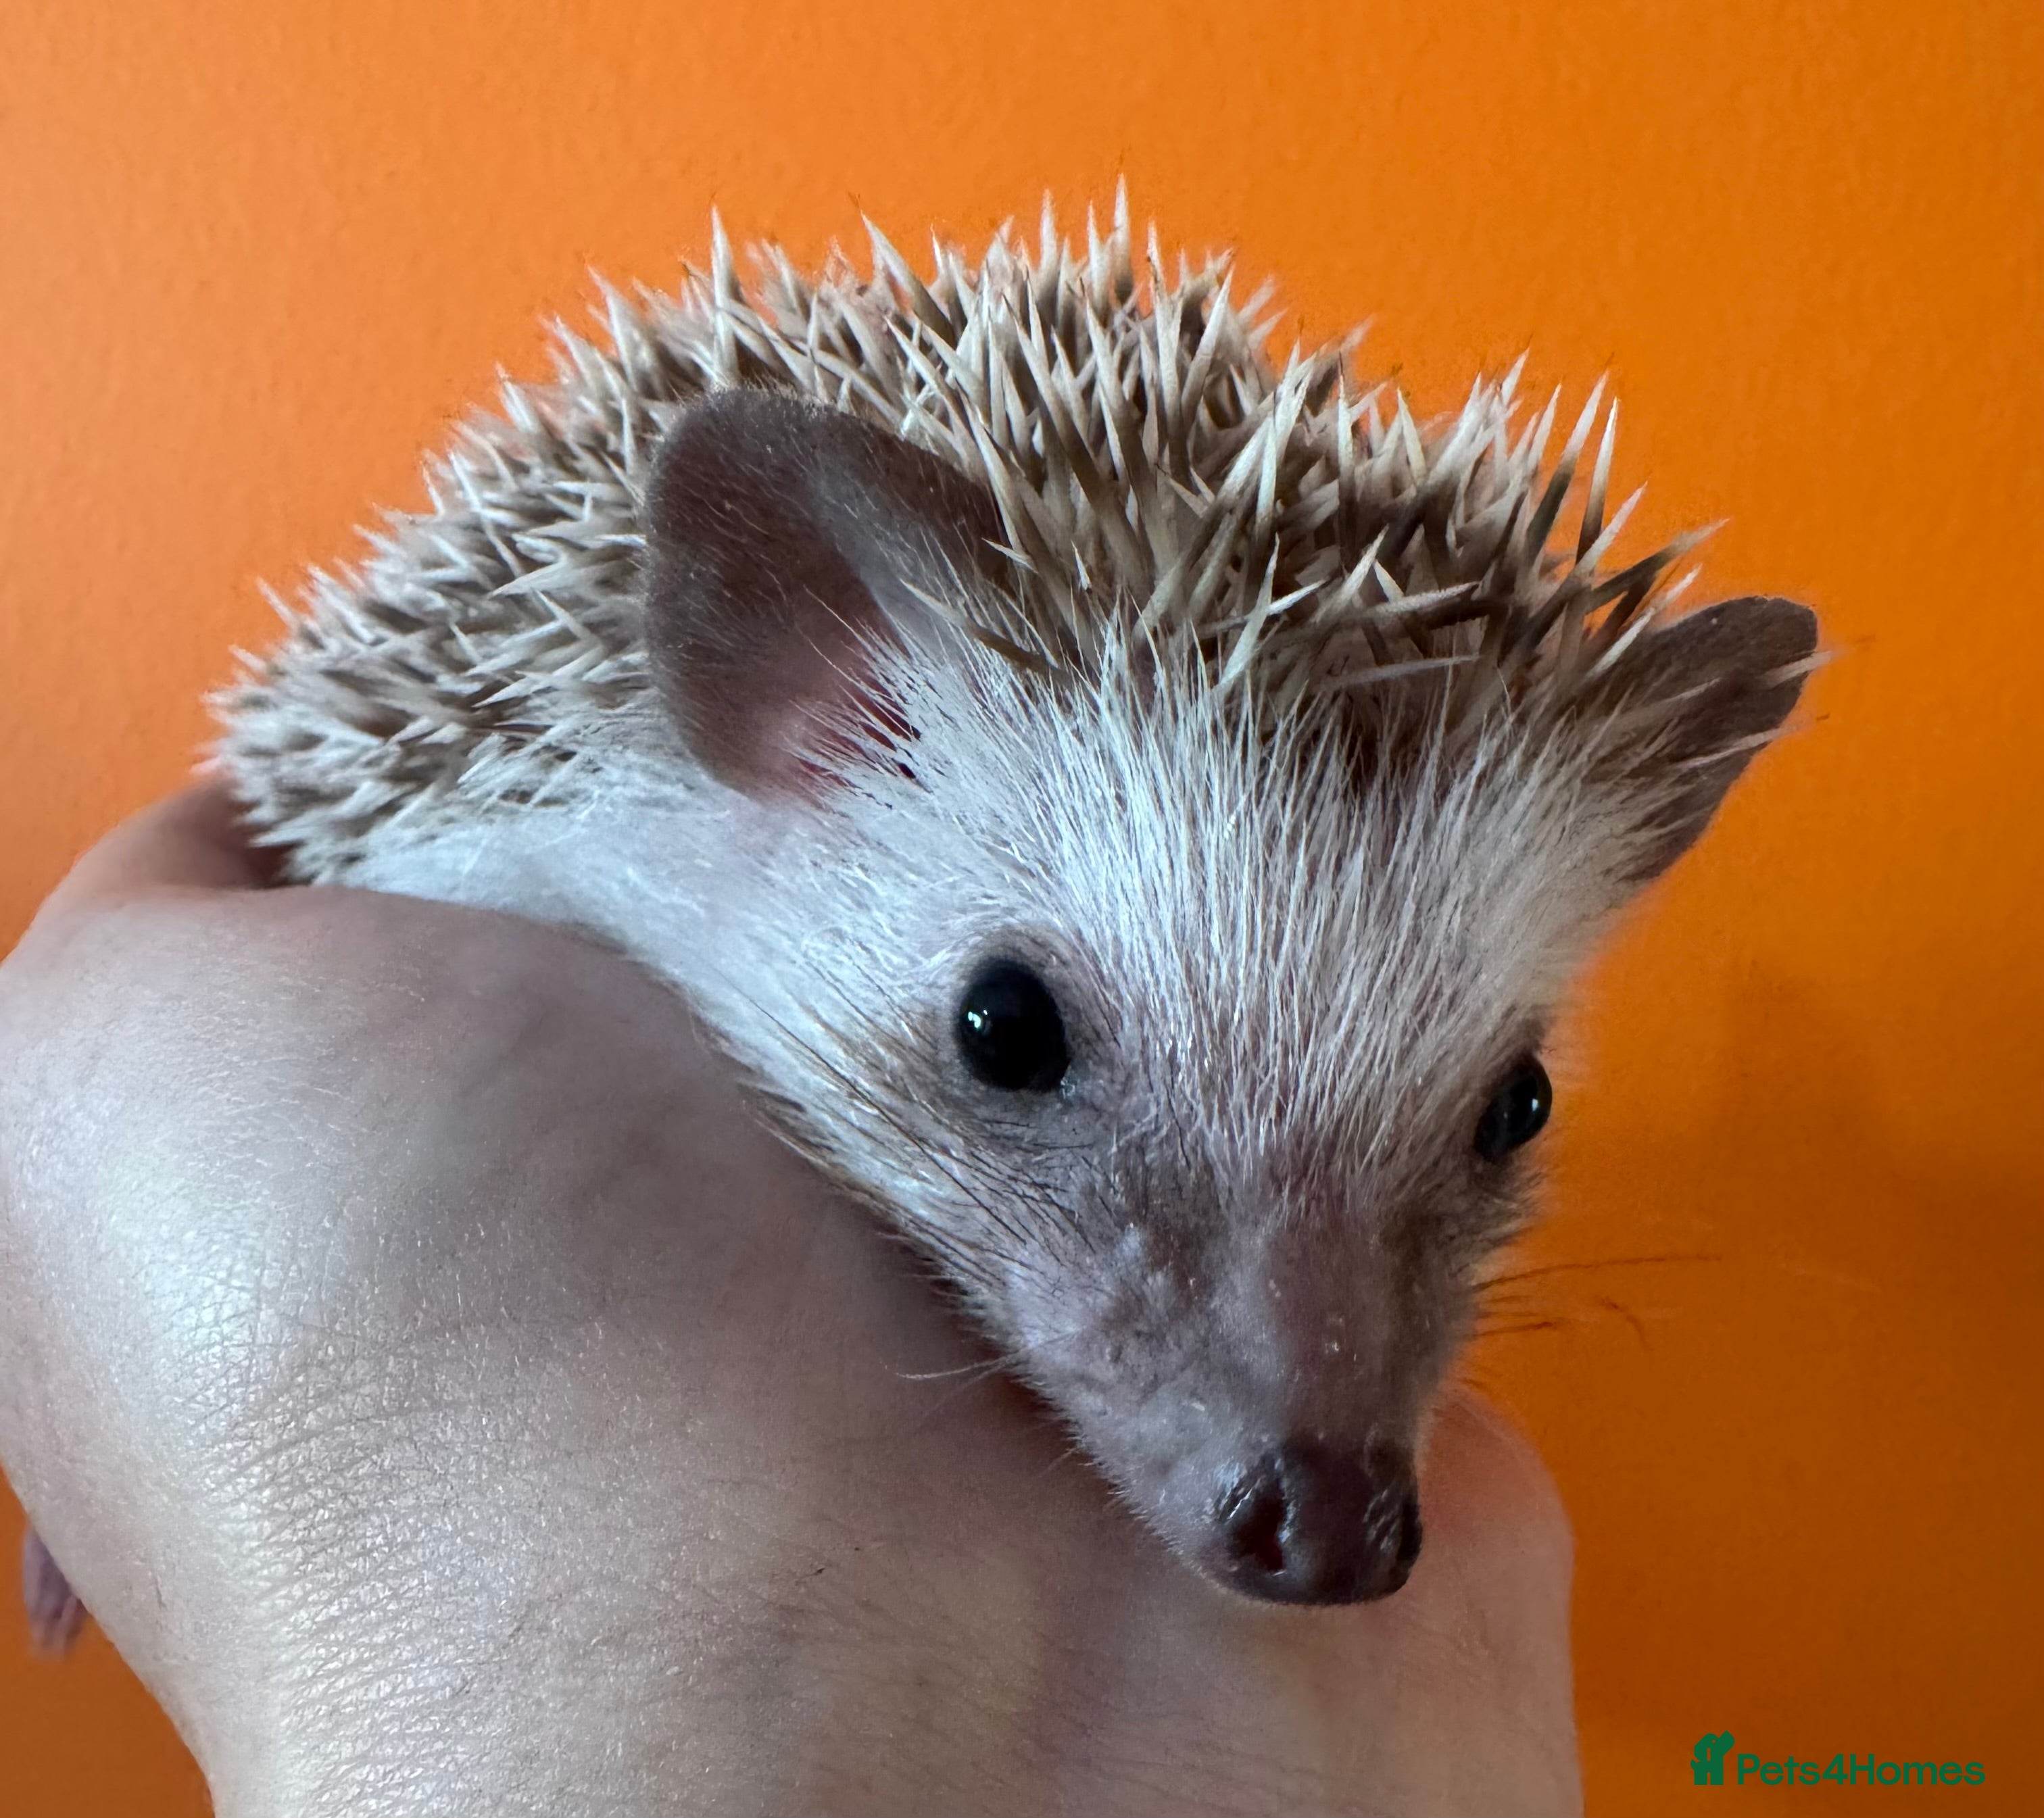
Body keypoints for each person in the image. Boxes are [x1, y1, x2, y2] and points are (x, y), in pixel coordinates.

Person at [0, 785, 1583, 1817]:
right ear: (799, 703)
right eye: (1016, 1036)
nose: (1319, 1422)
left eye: (1496, 1116)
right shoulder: (507, 853)